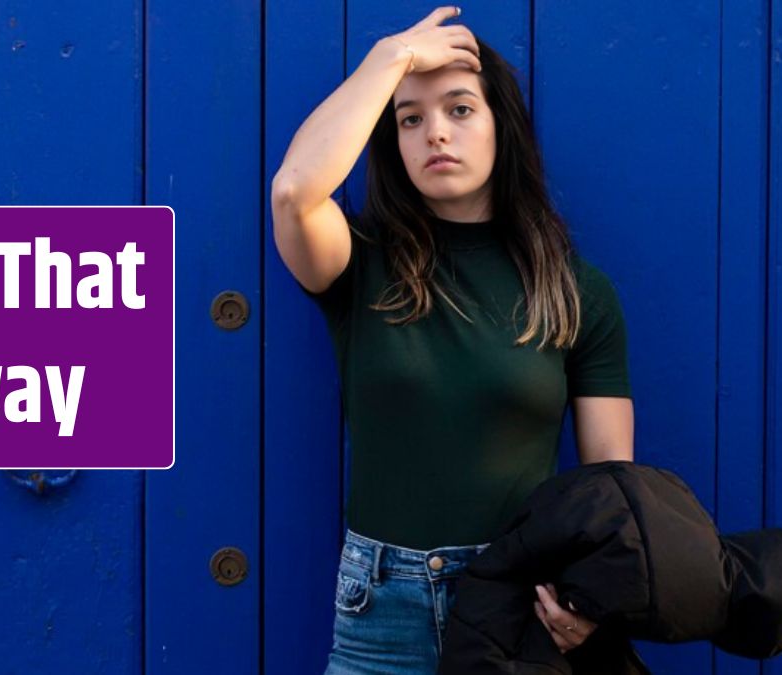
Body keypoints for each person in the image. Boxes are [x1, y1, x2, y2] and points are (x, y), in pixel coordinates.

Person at [270, 6, 636, 673]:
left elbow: (609, 481)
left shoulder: (577, 290)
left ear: (503, 127)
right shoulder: (357, 263)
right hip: (380, 610)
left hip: (520, 609)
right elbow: (295, 190)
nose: (435, 132)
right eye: (411, 118)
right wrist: (390, 58)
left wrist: (592, 599)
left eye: (460, 110)